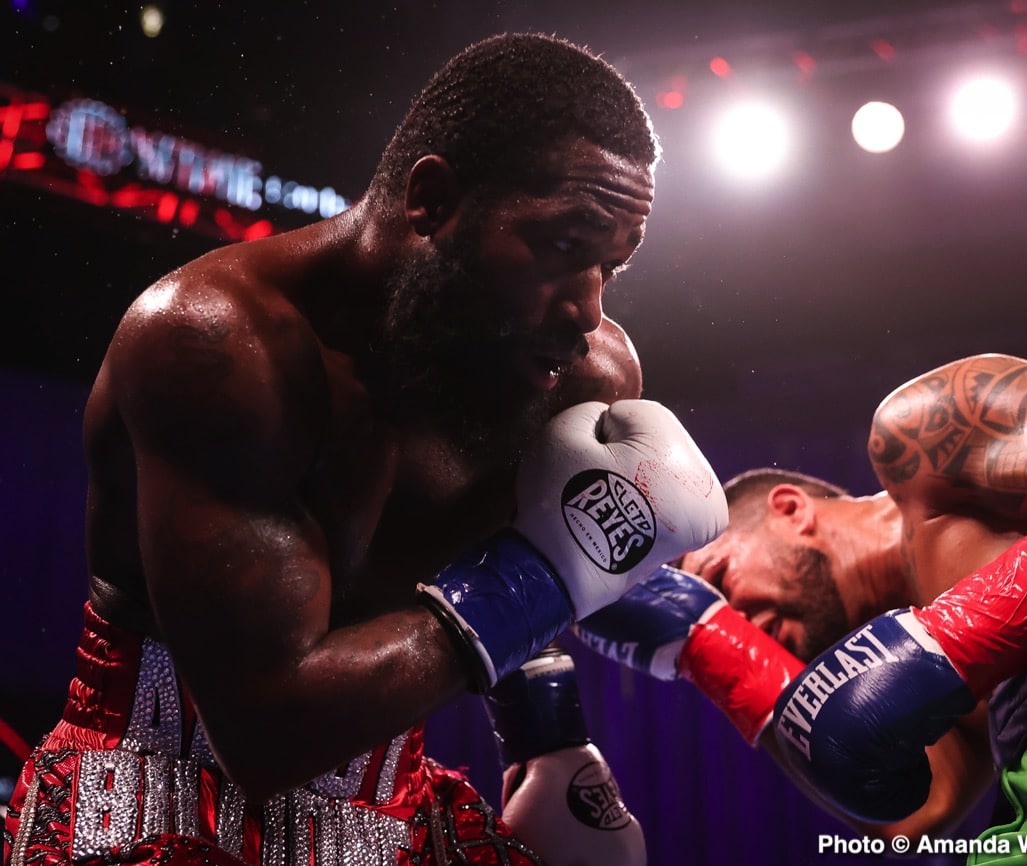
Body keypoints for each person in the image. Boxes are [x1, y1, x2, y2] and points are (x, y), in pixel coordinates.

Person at [2, 32, 730, 866]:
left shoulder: (571, 373)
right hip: (152, 796)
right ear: (432, 200)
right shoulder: (218, 345)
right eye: (564, 247)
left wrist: (547, 733)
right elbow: (268, 730)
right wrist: (542, 579)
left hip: (395, 806)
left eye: (611, 266)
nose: (586, 310)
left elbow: (530, 555)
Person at [578, 352, 1027, 863]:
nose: (736, 614)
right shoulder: (932, 667)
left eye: (721, 580)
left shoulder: (921, 439)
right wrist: (711, 647)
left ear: (790, 510)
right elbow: (916, 812)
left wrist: (956, 639)